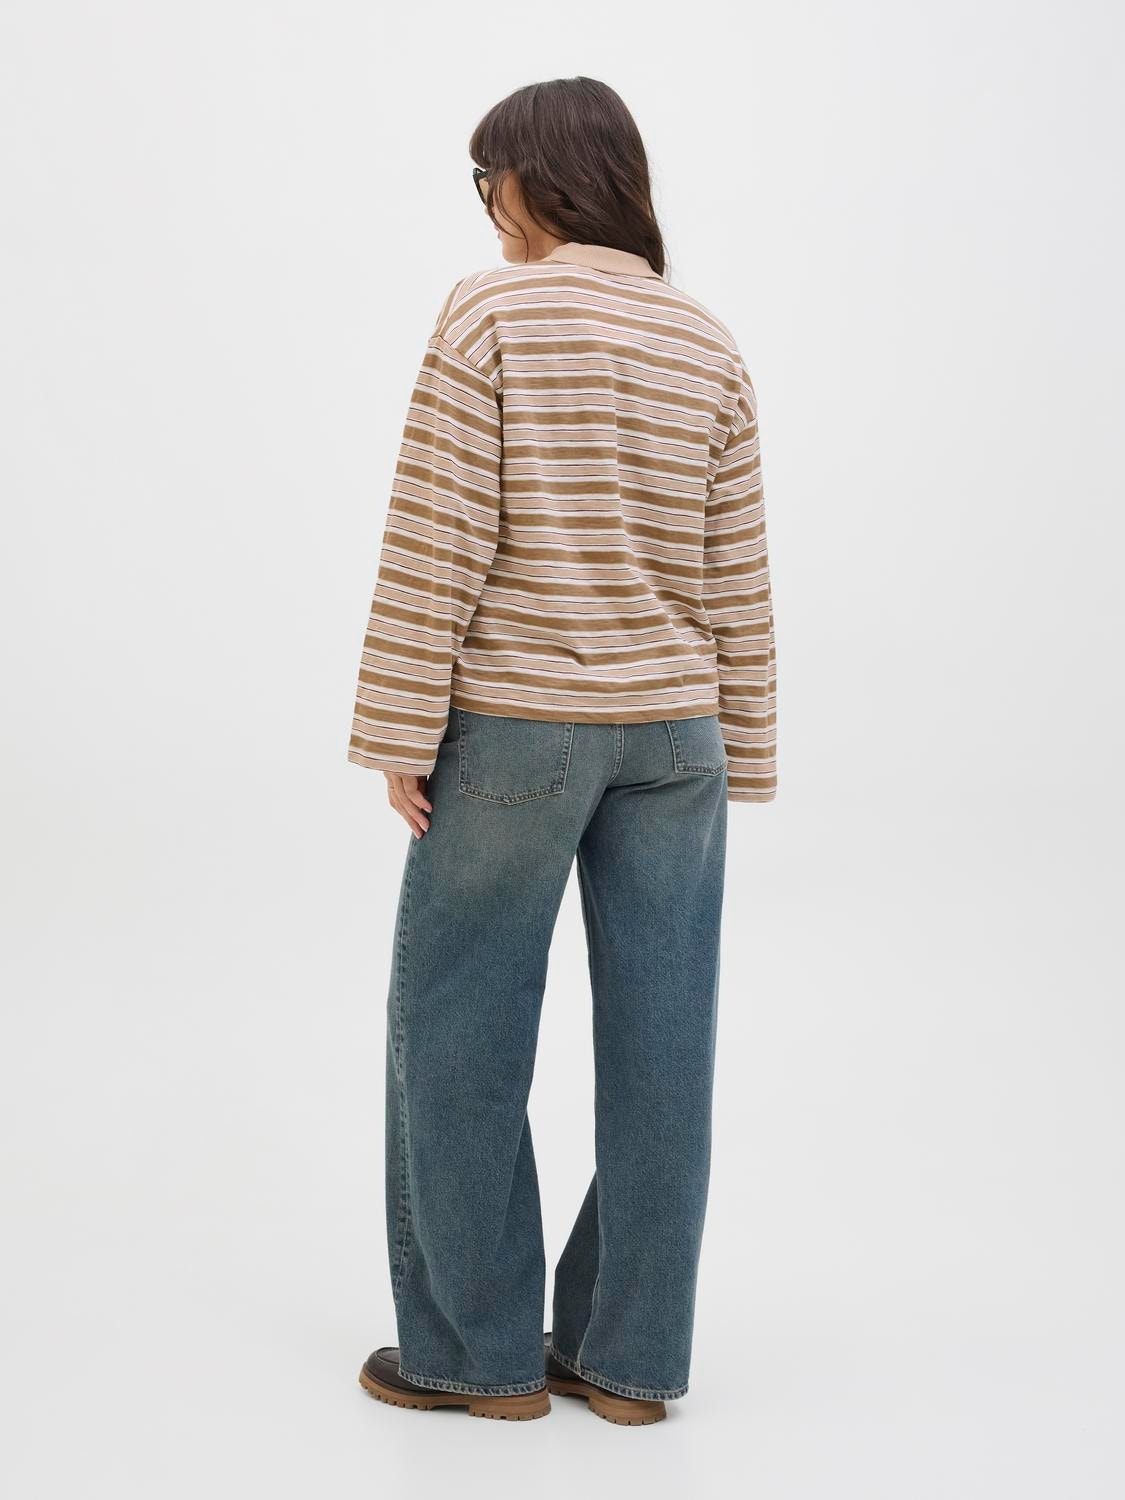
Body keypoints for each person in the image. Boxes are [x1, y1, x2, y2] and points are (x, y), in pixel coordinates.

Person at [347, 76, 777, 1426]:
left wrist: (399, 726)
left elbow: (439, 528)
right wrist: (745, 749)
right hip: (675, 738)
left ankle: (476, 1358)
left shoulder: (494, 312)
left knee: (459, 1026)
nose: (489, 208)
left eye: (494, 180)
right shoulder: (705, 338)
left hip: (520, 725)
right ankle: (626, 1361)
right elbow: (735, 572)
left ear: (544, 179)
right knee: (666, 1047)